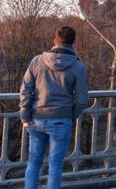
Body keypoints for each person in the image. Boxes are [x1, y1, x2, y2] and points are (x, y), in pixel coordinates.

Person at [19, 26, 89, 189]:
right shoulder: (78, 67)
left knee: (34, 162)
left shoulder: (37, 61)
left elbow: (25, 90)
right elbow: (82, 99)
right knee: (55, 165)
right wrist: (71, 116)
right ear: (74, 43)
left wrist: (25, 116)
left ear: (54, 41)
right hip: (61, 120)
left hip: (36, 118)